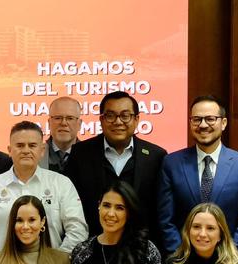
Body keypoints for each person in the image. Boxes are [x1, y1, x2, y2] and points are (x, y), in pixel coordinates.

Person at [157, 95, 238, 255]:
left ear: (223, 123)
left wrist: (228, 256)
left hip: (229, 261)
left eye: (210, 119)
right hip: (183, 262)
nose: (203, 125)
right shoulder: (172, 163)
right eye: (197, 119)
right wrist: (182, 255)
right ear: (190, 123)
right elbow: (166, 219)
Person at [0, 121, 87, 262]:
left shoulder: (61, 184)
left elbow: (77, 230)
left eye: (32, 145)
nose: (26, 150)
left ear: (42, 150)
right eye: (20, 145)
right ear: (9, 150)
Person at [65, 92, 167, 239]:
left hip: (141, 246)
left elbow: (161, 210)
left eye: (125, 116)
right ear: (101, 119)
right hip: (94, 244)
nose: (118, 122)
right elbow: (71, 205)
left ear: (137, 119)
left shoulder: (156, 156)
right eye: (110, 116)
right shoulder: (80, 154)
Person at [40, 97, 82, 176]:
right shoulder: (36, 155)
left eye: (70, 118)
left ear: (79, 124)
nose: (63, 123)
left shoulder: (94, 157)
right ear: (49, 123)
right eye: (58, 118)